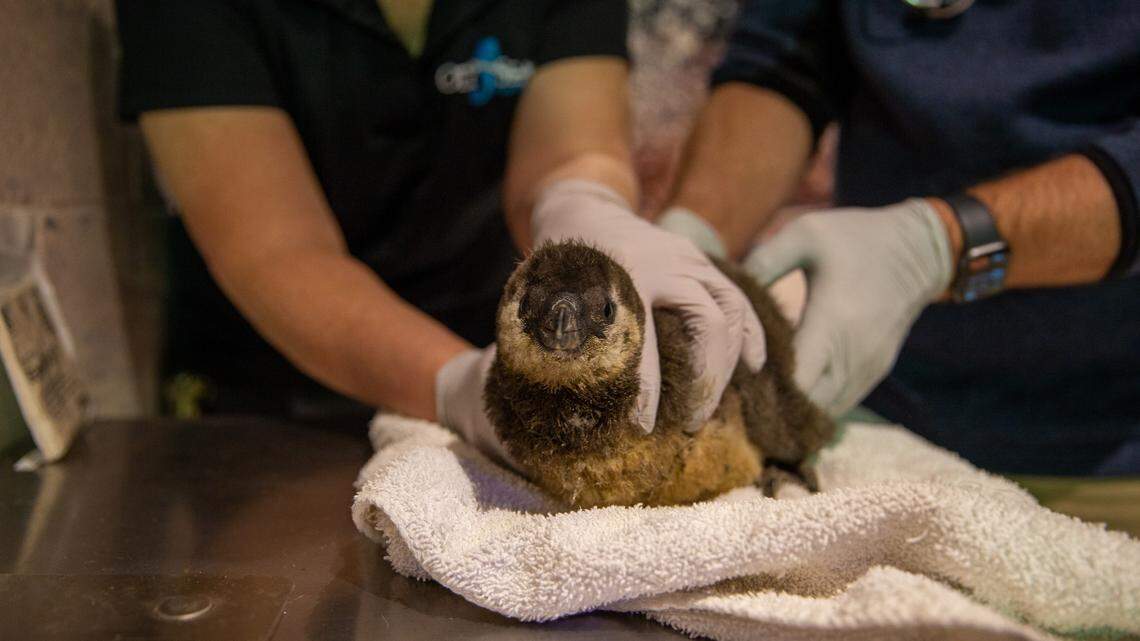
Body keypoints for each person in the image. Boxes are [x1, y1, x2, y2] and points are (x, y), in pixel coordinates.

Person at [114, 0, 766, 461]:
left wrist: (587, 209)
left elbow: (570, 152)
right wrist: (464, 387)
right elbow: (279, 251)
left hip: (493, 346)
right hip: (269, 411)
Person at [659, 0, 1140, 474]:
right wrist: (696, 230)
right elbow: (786, 57)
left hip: (1107, 440)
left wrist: (935, 247)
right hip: (880, 416)